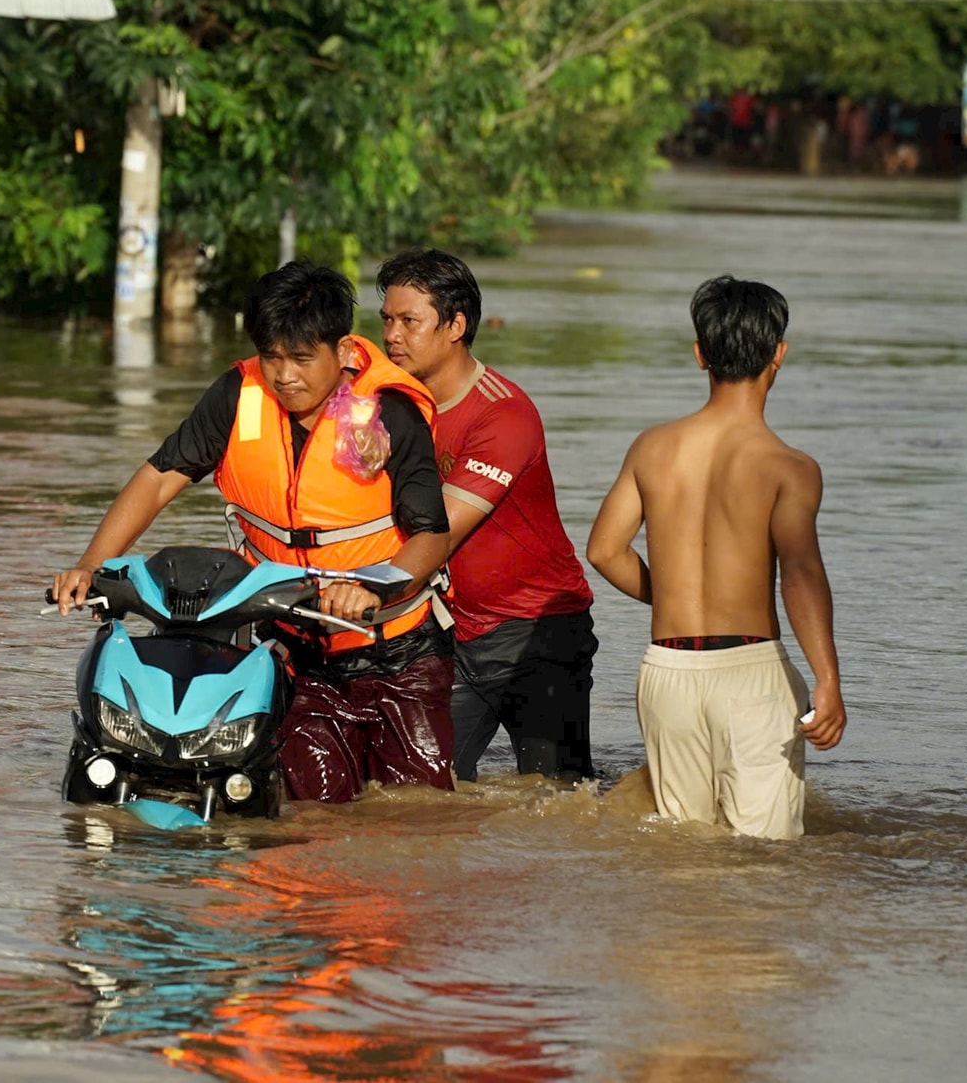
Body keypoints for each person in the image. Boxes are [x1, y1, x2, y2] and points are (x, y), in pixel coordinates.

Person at [50, 262, 455, 803]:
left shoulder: (391, 414)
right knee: (316, 815)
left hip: (399, 654)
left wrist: (374, 586)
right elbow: (157, 479)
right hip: (295, 654)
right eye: (272, 357)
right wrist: (90, 565)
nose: (284, 375)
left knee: (423, 819)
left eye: (302, 358)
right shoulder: (236, 396)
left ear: (342, 351)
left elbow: (431, 536)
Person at [586, 276, 846, 839]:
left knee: (684, 852)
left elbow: (604, 550)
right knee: (762, 860)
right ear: (779, 352)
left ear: (700, 353)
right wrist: (828, 679)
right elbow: (800, 575)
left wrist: (676, 592)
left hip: (666, 672)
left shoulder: (653, 447)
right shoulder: (789, 467)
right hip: (749, 675)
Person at [376, 249, 599, 783]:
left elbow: (440, 534)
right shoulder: (385, 407)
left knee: (559, 802)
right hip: (444, 629)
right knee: (416, 793)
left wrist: (360, 590)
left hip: (535, 633)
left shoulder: (504, 414)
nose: (392, 336)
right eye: (386, 319)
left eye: (410, 321)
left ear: (457, 325)